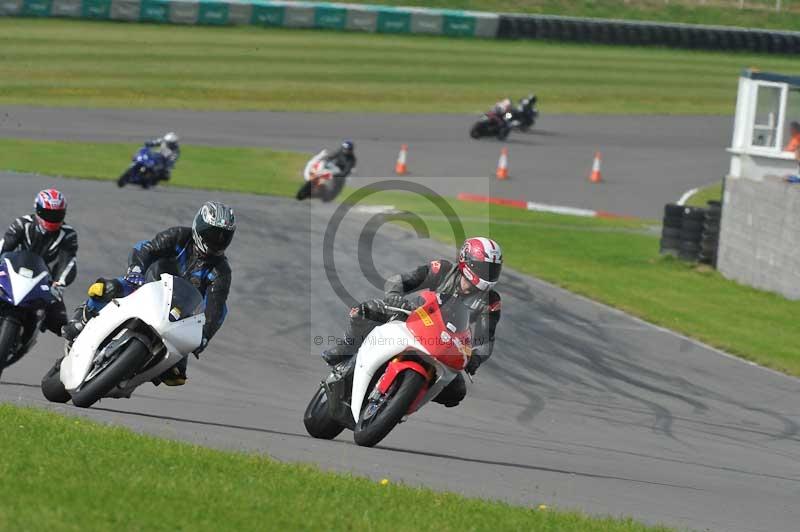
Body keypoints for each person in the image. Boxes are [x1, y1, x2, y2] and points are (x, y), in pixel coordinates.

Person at [62, 201, 236, 386]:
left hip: (178, 314)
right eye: (212, 234)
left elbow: (216, 309)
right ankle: (82, 319)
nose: (217, 240)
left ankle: (134, 373)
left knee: (176, 375)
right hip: (146, 286)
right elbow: (146, 248)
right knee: (105, 288)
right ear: (199, 227)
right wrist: (136, 270)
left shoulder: (221, 271)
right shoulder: (179, 236)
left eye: (223, 237)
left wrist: (204, 335)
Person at [322, 237, 503, 408]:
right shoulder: (443, 269)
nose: (488, 274)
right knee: (364, 311)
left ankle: (403, 400)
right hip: (414, 316)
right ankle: (347, 348)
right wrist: (395, 297)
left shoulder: (491, 301)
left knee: (457, 392)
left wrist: (475, 358)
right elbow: (400, 281)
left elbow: (485, 340)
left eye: (493, 270)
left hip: (447, 343)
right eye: (484, 268)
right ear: (467, 261)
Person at [0, 189, 77, 336]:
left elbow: (68, 262)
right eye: (47, 213)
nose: (52, 218)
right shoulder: (22, 223)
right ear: (38, 210)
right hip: (12, 269)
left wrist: (59, 284)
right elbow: (4, 246)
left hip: (42, 277)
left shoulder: (68, 234)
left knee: (61, 324)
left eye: (56, 215)